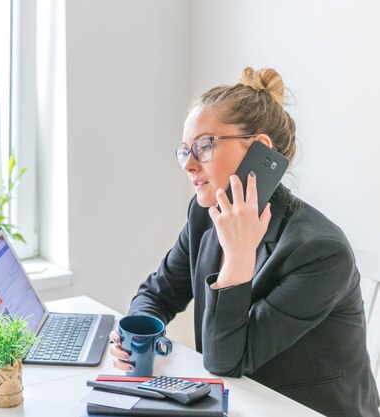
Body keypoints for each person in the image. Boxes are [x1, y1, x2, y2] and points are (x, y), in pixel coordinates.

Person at [109, 67, 380, 417]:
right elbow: (156, 294)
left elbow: (224, 360)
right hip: (239, 403)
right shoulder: (204, 215)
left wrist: (237, 259)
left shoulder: (320, 252)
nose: (189, 165)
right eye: (184, 151)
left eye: (203, 146)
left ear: (260, 151)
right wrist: (135, 338)